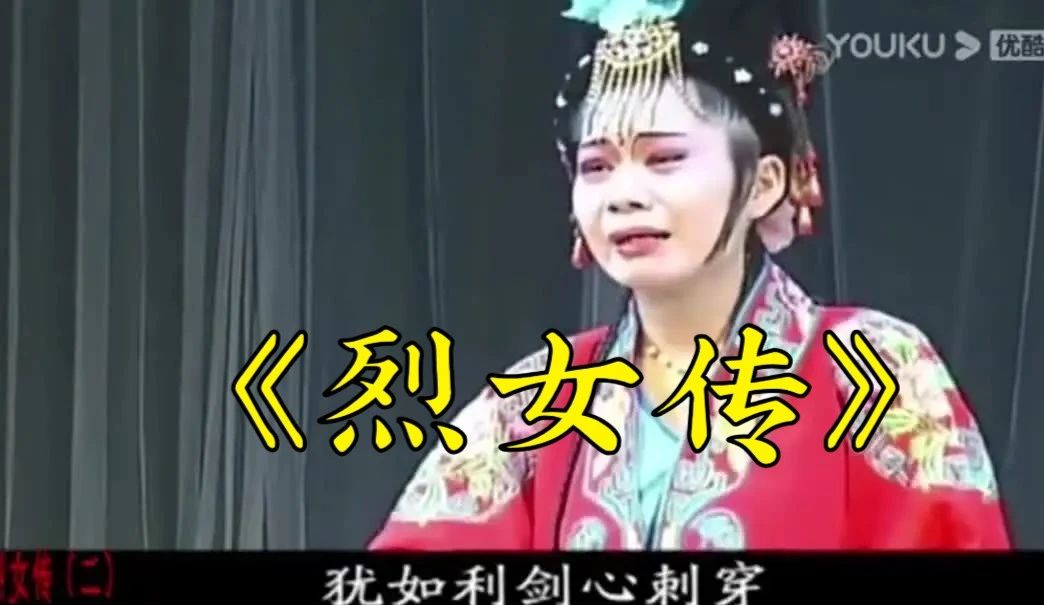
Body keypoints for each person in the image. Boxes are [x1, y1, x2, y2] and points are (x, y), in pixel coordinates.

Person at [369, 0, 1011, 550]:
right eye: (597, 167)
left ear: (764, 183)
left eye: (665, 159)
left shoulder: (871, 367)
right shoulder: (537, 399)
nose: (624, 195)